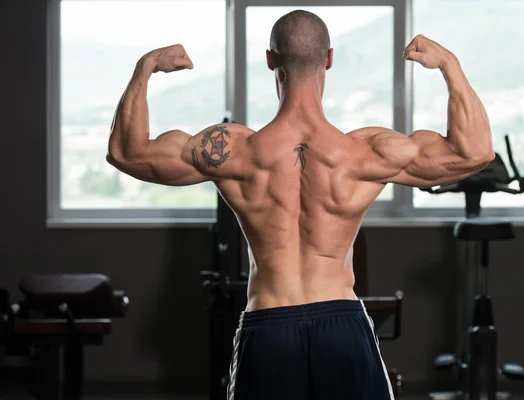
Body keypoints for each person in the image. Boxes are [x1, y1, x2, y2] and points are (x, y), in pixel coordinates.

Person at [106, 10, 493, 400]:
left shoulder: (232, 151)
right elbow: (473, 152)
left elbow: (127, 152)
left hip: (268, 324)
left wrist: (146, 68)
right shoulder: (366, 152)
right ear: (329, 58)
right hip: (342, 324)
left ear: (271, 60)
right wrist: (449, 65)